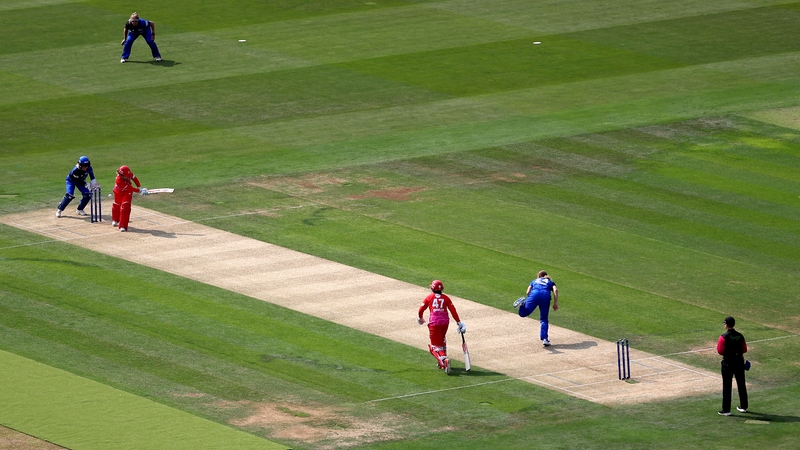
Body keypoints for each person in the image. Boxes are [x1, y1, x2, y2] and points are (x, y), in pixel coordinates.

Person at [418, 280, 465, 374]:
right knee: (442, 341)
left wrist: (420, 318)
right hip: (445, 322)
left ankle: (444, 361)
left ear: (431, 288)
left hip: (434, 323)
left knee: (433, 346)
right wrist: (459, 323)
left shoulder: (429, 297)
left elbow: (421, 309)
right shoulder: (446, 298)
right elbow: (453, 310)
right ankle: (441, 360)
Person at [514, 270, 559, 346]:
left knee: (523, 314)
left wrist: (531, 300)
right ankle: (545, 339)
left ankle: (522, 305)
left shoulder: (534, 281)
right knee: (544, 319)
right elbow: (556, 290)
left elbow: (528, 292)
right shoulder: (550, 282)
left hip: (534, 294)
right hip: (545, 296)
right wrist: (555, 302)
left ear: (539, 276)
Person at [717, 316, 748, 416]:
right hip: (739, 362)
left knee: (727, 386)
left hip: (728, 363)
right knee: (741, 385)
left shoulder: (723, 337)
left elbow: (720, 351)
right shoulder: (740, 336)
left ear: (726, 325)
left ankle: (726, 410)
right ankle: (743, 406)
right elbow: (744, 349)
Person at [112, 165, 148, 232]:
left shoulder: (128, 174)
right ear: (121, 175)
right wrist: (139, 191)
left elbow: (135, 179)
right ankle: (115, 220)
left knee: (125, 207)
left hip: (127, 193)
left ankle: (123, 226)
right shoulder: (118, 180)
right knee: (117, 205)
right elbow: (129, 188)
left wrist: (139, 187)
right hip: (118, 192)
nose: (128, 177)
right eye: (126, 176)